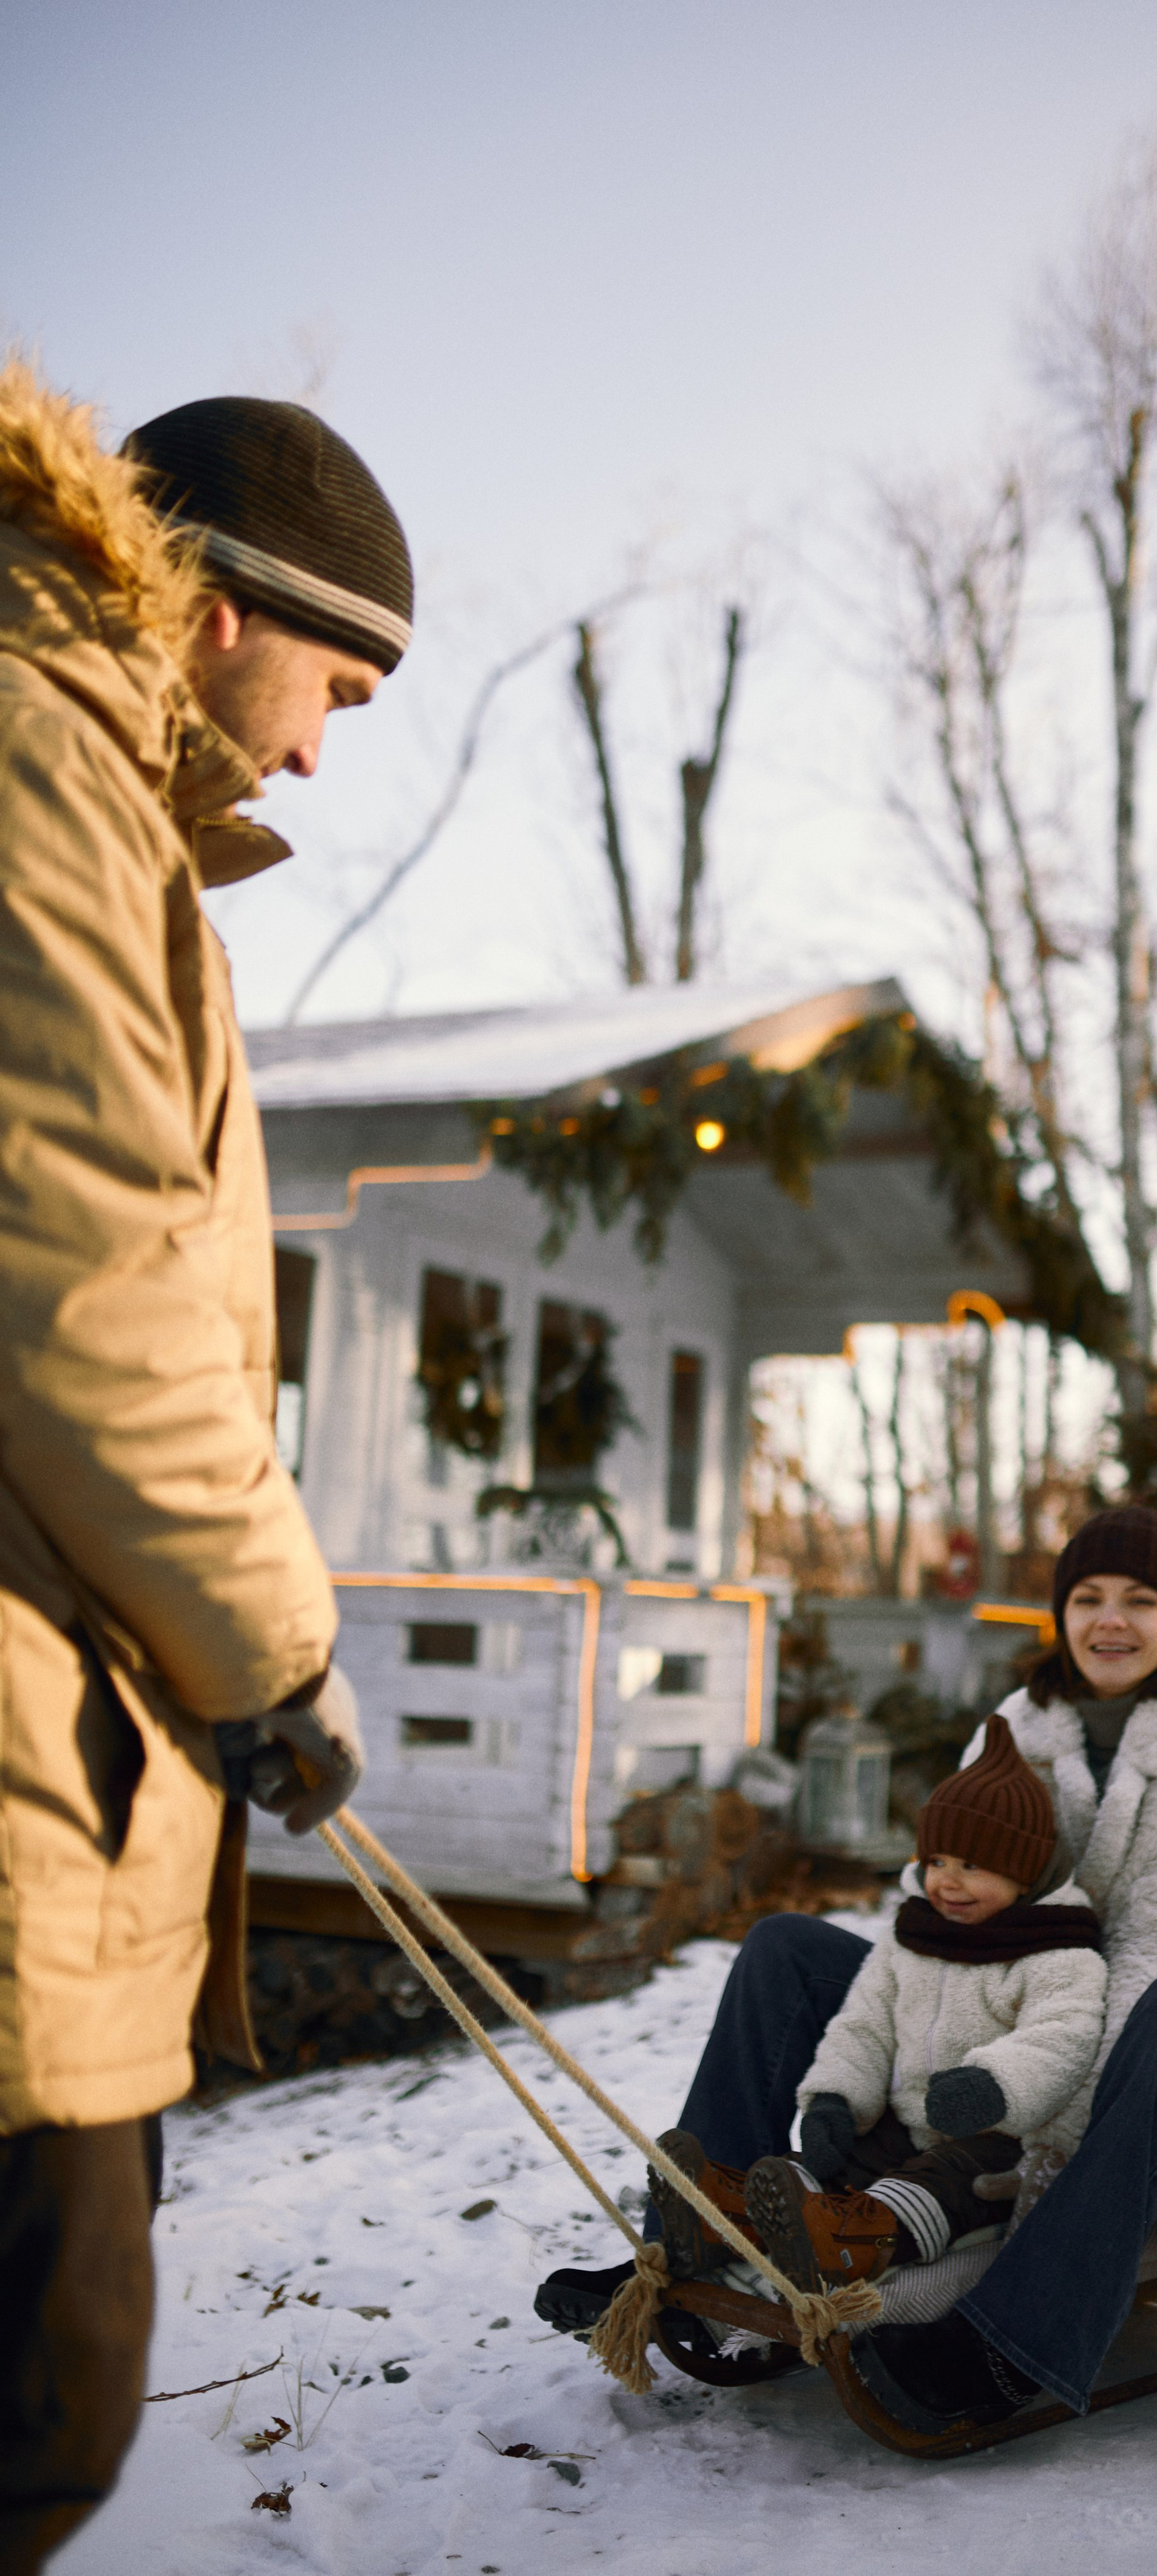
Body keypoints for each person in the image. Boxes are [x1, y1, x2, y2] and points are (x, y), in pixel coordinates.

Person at [0, 361, 411, 2573]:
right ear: (225, 610)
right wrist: (281, 1650)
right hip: (24, 1726)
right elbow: (87, 1288)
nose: (320, 758)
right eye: (335, 685)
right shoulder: (34, 765)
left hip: (60, 1699)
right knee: (44, 2403)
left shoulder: (80, 793)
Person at [539, 1503, 1157, 2436]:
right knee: (785, 1951)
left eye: (1141, 1600)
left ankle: (1017, 2343)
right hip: (996, 2035)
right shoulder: (1021, 1724)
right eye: (1088, 1598)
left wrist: (1026, 2113)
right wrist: (887, 2057)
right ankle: (682, 2252)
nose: (1111, 1622)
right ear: (1060, 1611)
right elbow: (937, 1903)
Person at [653, 1716, 1106, 2295]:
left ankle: (850, 2242)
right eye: (937, 1862)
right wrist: (837, 2100)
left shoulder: (1057, 1951)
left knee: (938, 2184)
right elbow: (864, 2024)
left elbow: (1063, 2039)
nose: (948, 1882)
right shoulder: (914, 1935)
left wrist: (995, 2085)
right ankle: (729, 2218)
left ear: (1027, 1873)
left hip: (995, 2144)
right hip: (903, 2123)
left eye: (973, 1866)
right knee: (829, 2167)